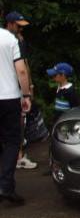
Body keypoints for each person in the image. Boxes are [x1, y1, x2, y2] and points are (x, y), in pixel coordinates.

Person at [0, 0, 32, 205]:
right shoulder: (9, 40)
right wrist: (26, 95)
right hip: (9, 97)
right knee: (12, 142)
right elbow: (21, 70)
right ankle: (5, 186)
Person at [5, 11, 37, 169]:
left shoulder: (18, 40)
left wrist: (30, 86)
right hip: (13, 90)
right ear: (9, 24)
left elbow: (25, 65)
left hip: (13, 89)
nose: (20, 29)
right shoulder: (13, 41)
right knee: (18, 124)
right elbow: (22, 68)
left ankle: (18, 154)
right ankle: (18, 156)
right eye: (18, 26)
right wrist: (27, 91)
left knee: (19, 123)